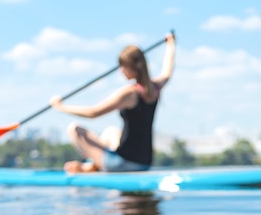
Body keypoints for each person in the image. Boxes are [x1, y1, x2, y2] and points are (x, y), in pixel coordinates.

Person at [49, 32, 176, 173]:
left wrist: (61, 107)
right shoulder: (154, 88)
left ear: (133, 67)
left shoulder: (129, 93)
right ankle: (92, 165)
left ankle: (91, 165)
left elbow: (93, 112)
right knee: (111, 132)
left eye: (123, 66)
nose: (121, 71)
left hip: (123, 164)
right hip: (144, 162)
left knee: (74, 130)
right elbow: (167, 71)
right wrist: (171, 44)